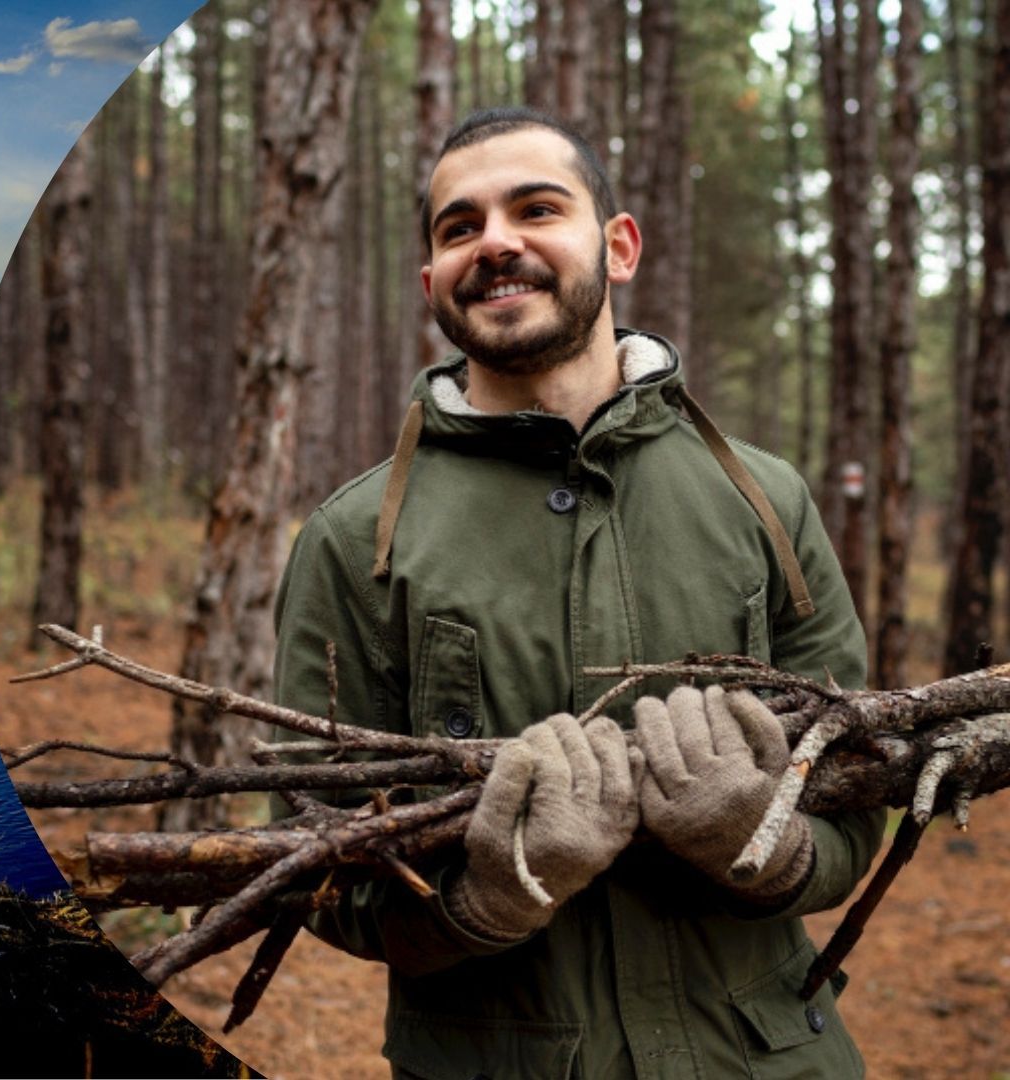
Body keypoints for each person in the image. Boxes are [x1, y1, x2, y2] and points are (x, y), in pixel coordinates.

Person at [271, 106, 881, 1078]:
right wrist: (484, 901)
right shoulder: (356, 543)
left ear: (619, 244)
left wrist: (762, 843)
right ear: (432, 280)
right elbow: (305, 867)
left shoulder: (762, 500)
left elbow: (858, 800)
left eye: (536, 208)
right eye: (459, 227)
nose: (496, 242)